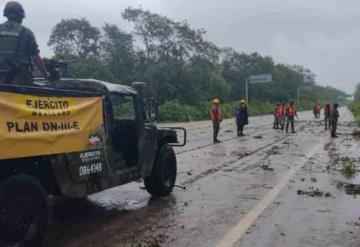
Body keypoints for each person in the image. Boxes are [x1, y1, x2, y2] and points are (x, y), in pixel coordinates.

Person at [0, 1, 48, 84]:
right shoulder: (26, 32)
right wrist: (46, 74)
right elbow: (35, 56)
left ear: (6, 14)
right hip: (20, 80)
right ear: (21, 16)